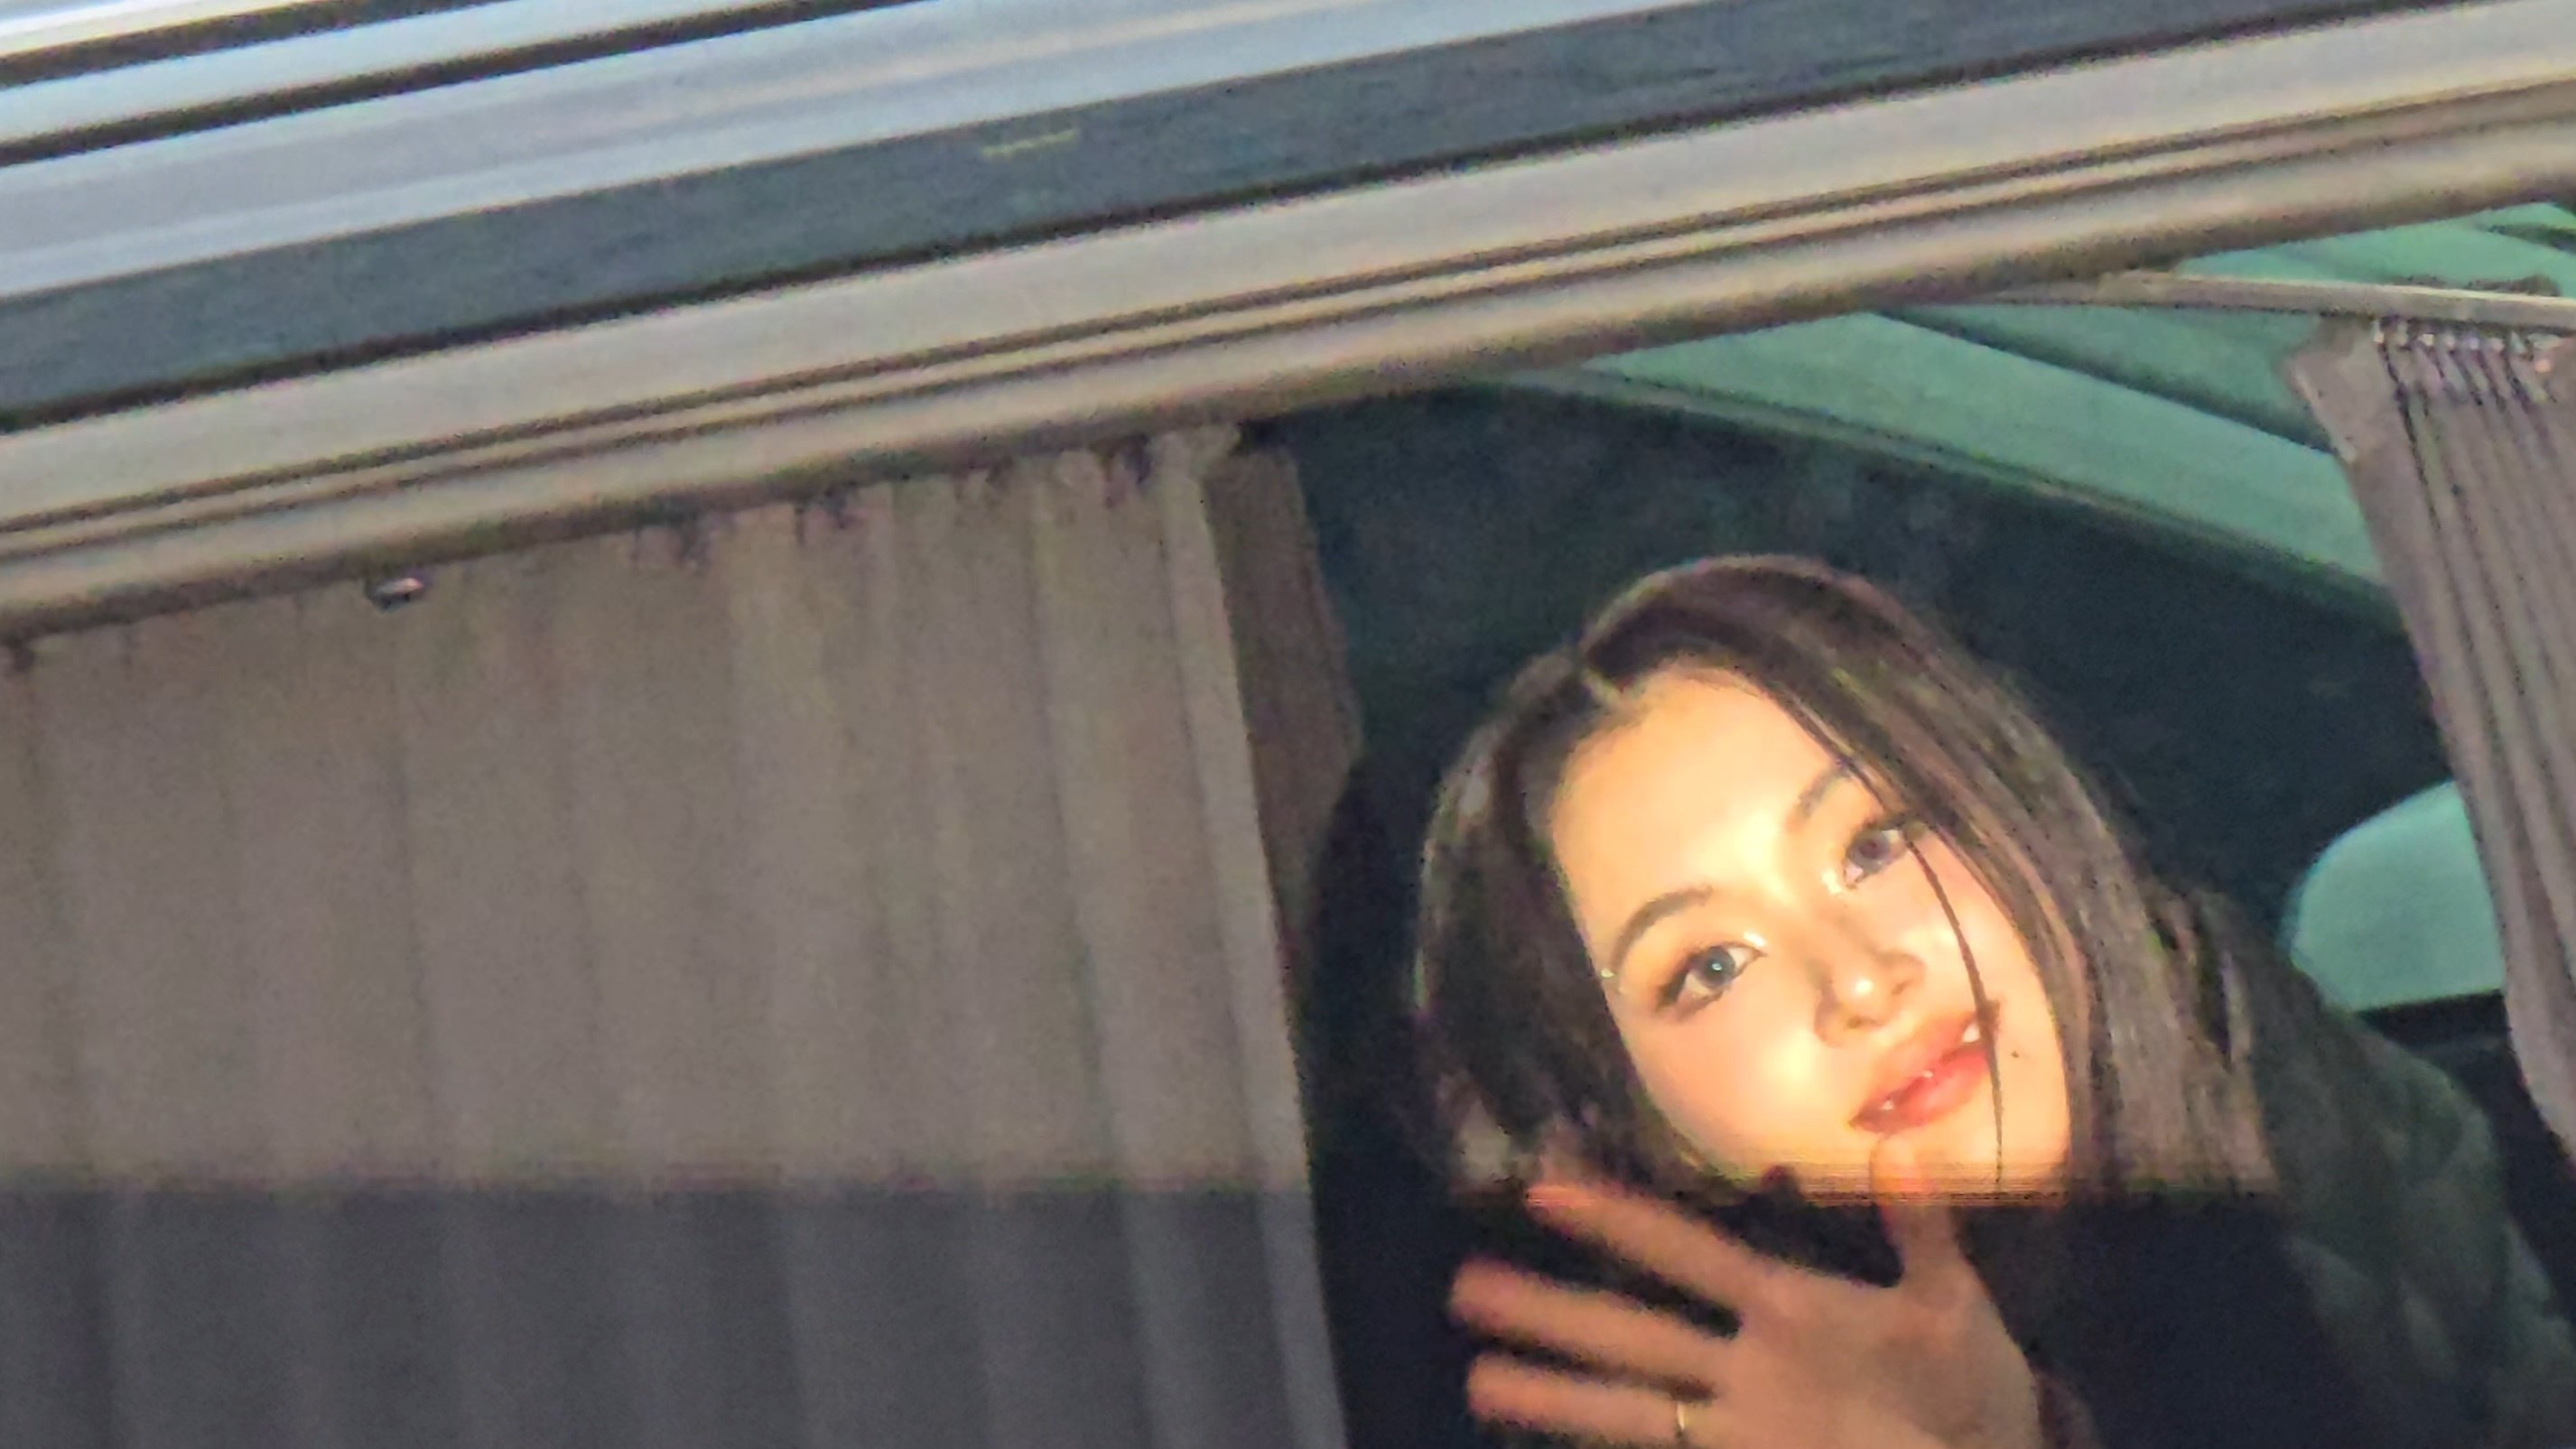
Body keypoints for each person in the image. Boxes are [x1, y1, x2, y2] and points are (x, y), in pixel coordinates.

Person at [1407, 555, 2576, 1449]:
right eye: (1711, 966)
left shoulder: (2302, 1109)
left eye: (1875, 845)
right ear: (1628, 1124)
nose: (1860, 981)